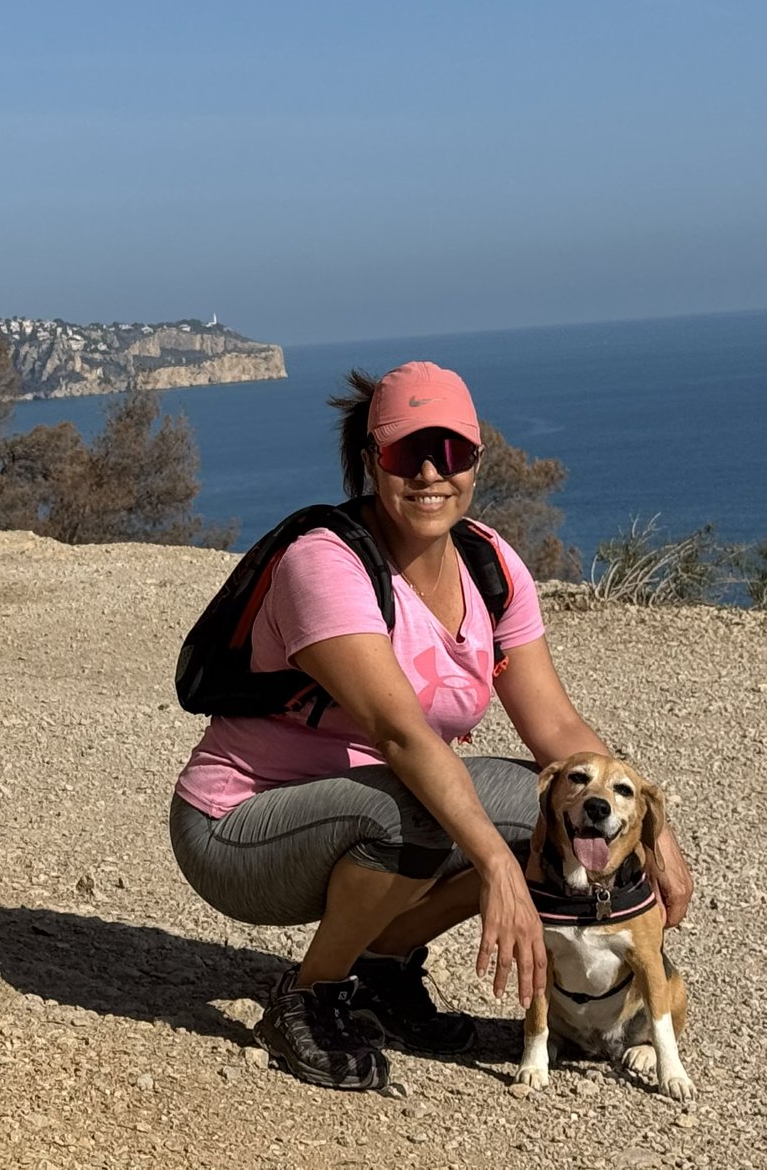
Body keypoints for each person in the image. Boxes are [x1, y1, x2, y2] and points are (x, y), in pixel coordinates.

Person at [169, 361, 694, 1091]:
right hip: (239, 829)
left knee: (550, 802)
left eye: (450, 451)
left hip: (366, 803)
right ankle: (308, 997)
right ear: (370, 458)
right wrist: (499, 867)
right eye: (404, 451)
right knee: (429, 808)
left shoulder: (489, 564)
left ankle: (382, 969)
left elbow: (556, 725)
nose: (428, 472)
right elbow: (402, 737)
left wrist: (656, 836)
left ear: (476, 459)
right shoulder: (325, 563)